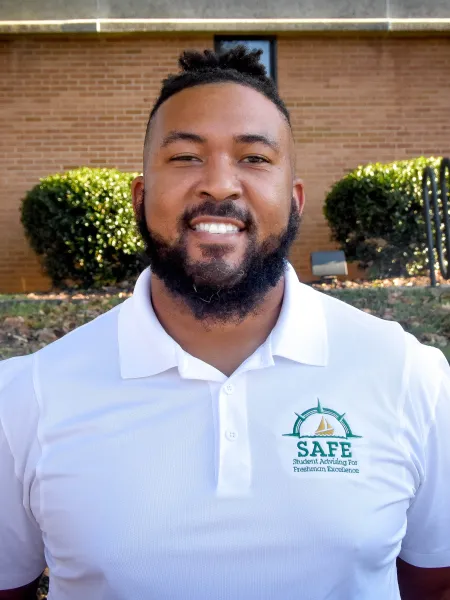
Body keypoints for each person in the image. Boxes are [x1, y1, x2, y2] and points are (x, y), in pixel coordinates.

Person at [0, 46, 449, 600]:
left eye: (255, 158)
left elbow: (432, 580)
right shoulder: (28, 394)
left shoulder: (409, 375)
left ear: (295, 199)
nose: (220, 184)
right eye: (186, 157)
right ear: (141, 198)